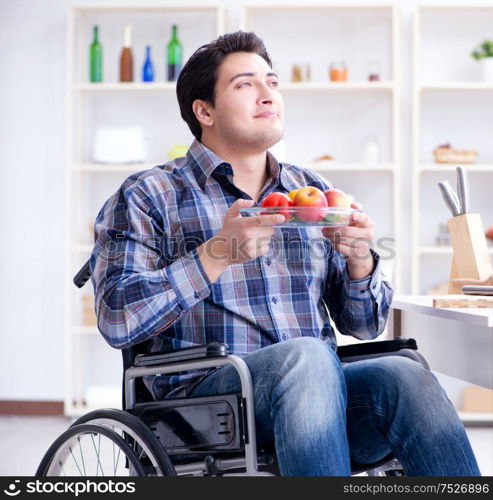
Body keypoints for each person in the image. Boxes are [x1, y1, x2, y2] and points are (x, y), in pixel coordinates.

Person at [91, 31, 480, 476]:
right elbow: (117, 318)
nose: (267, 94)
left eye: (271, 82)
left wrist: (360, 263)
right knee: (307, 358)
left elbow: (364, 323)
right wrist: (216, 254)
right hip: (204, 406)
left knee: (404, 374)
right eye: (244, 85)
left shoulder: (309, 191)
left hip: (321, 402)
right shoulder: (149, 194)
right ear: (205, 111)